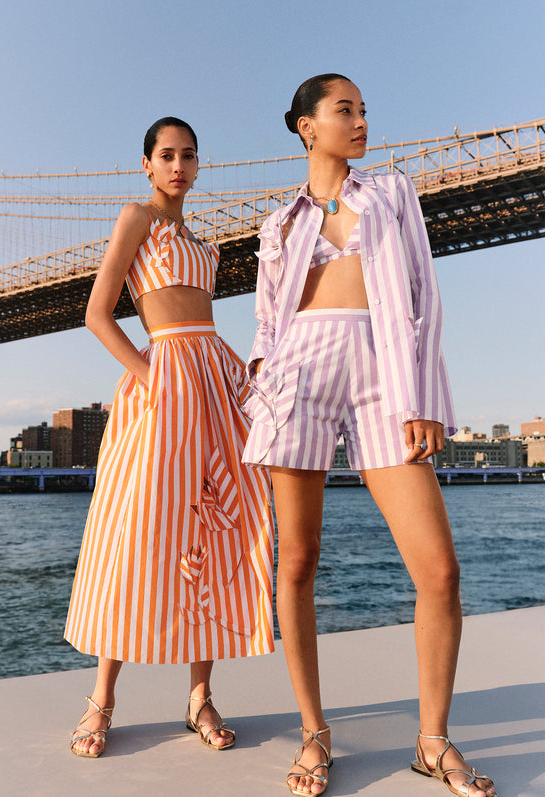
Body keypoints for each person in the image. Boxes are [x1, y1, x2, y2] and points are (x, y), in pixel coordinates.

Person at [243, 75, 497, 797]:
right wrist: (265, 378)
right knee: (296, 560)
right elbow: (267, 324)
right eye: (344, 110)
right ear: (305, 126)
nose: (360, 122)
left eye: (363, 111)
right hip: (300, 376)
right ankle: (314, 731)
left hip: (383, 376)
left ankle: (432, 739)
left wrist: (422, 396)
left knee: (439, 571)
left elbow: (423, 295)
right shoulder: (278, 224)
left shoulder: (392, 194)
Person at [65, 117, 274, 758]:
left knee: (218, 531)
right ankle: (101, 701)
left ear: (197, 165)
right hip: (161, 388)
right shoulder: (137, 219)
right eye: (166, 155)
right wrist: (148, 373)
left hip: (215, 382)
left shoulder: (205, 245)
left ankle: (200, 697)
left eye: (188, 155)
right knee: (132, 534)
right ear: (147, 165)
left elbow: (204, 321)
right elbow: (96, 313)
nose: (178, 165)